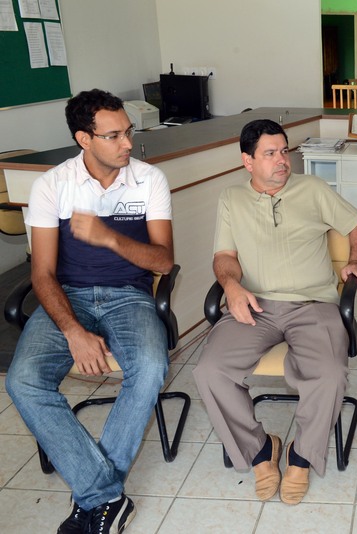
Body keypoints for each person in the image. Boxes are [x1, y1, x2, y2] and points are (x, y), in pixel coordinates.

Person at [5, 89, 174, 534]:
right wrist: (73, 331)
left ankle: (94, 497)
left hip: (130, 296)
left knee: (151, 366)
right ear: (84, 138)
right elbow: (42, 274)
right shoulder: (52, 185)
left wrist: (109, 237)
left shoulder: (149, 180)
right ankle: (106, 496)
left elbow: (163, 261)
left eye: (128, 132)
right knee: (23, 380)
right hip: (69, 297)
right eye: (114, 135)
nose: (127, 143)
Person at [193, 119, 357, 505]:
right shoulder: (231, 198)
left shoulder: (313, 189)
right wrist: (231, 286)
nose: (282, 160)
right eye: (270, 153)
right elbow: (224, 256)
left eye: (284, 151)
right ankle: (260, 450)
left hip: (313, 304)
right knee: (209, 371)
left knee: (329, 373)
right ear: (248, 161)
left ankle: (301, 456)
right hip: (255, 304)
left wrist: (355, 259)